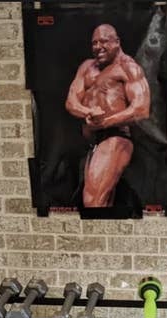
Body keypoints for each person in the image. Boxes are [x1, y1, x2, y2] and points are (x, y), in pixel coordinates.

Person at [65, 24, 151, 208]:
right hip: (94, 142)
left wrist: (104, 122)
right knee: (101, 203)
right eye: (94, 43)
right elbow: (71, 101)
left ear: (117, 42)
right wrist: (87, 111)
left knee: (92, 202)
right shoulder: (87, 67)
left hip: (115, 138)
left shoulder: (128, 68)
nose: (98, 46)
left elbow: (141, 109)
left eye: (104, 41)